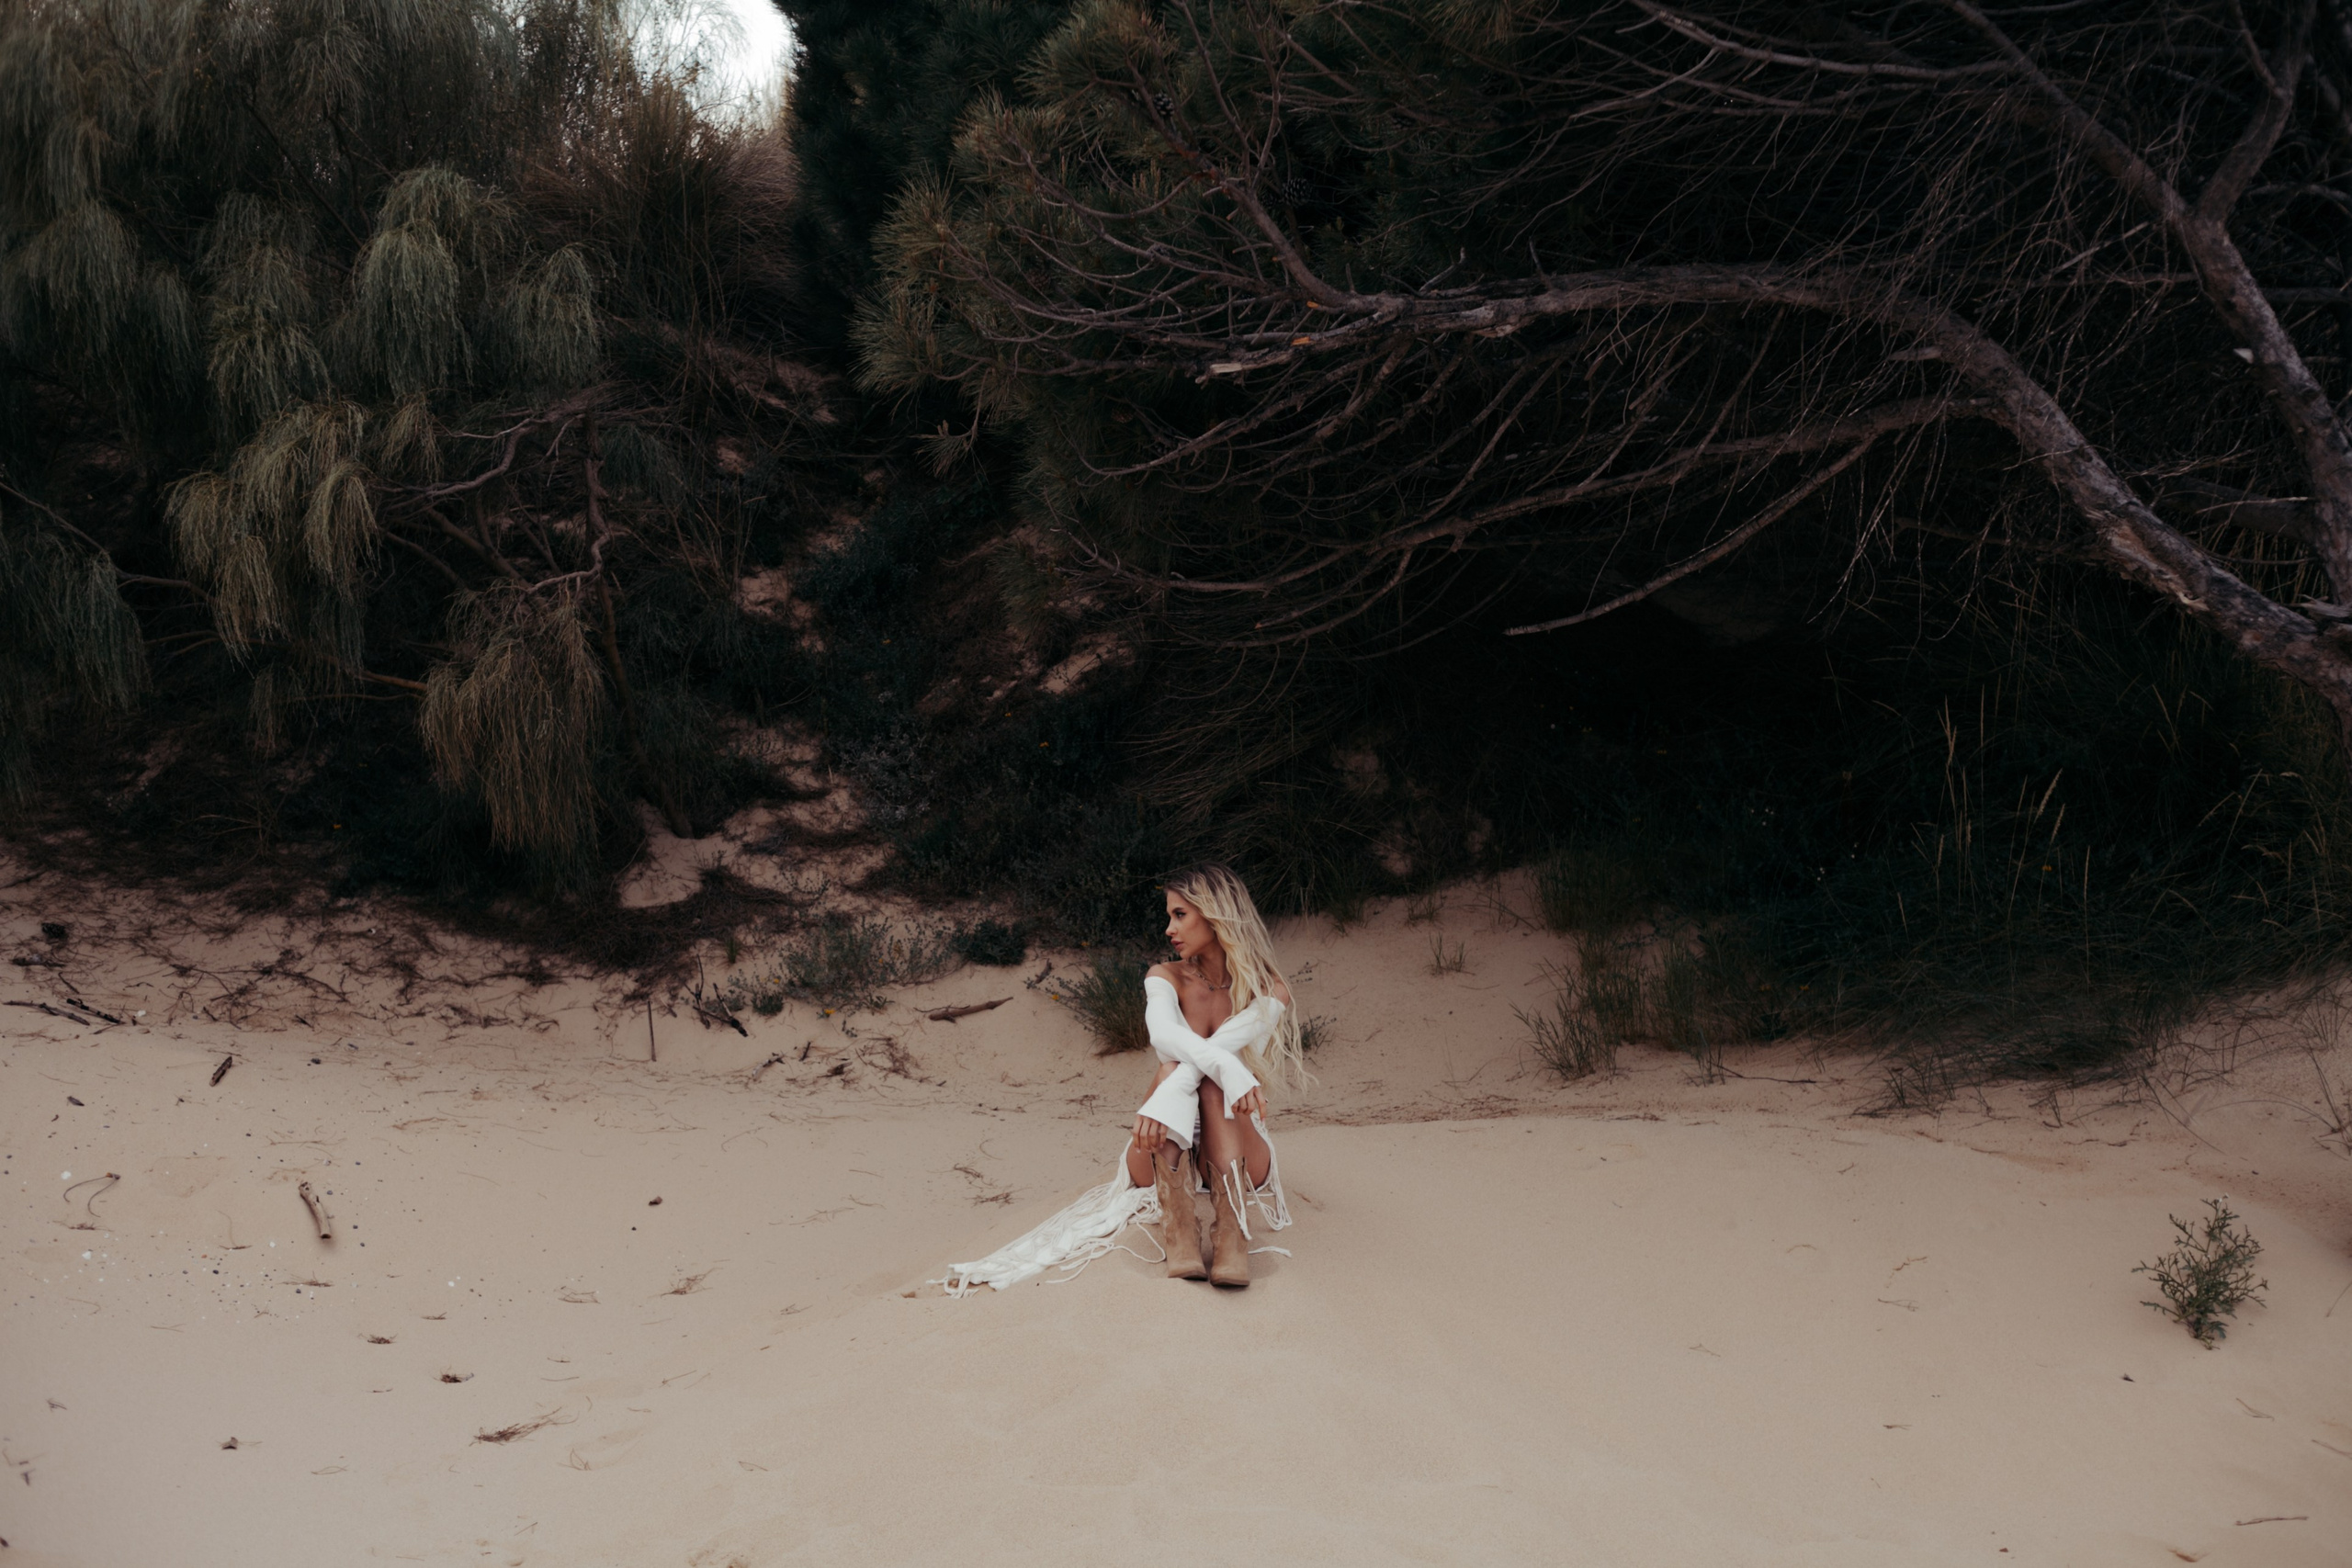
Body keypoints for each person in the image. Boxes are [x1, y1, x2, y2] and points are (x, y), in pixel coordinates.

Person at [936, 864, 1303, 1294]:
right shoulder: (1164, 976)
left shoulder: (1267, 987)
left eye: (1180, 915)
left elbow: (1216, 1056)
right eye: (1170, 916)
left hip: (1240, 1152)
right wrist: (1177, 1091)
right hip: (1159, 1147)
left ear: (1216, 915)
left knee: (1205, 1078)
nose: (1170, 928)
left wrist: (1167, 1097)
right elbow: (1163, 1035)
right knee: (1183, 1069)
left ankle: (1231, 1235)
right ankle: (1180, 1231)